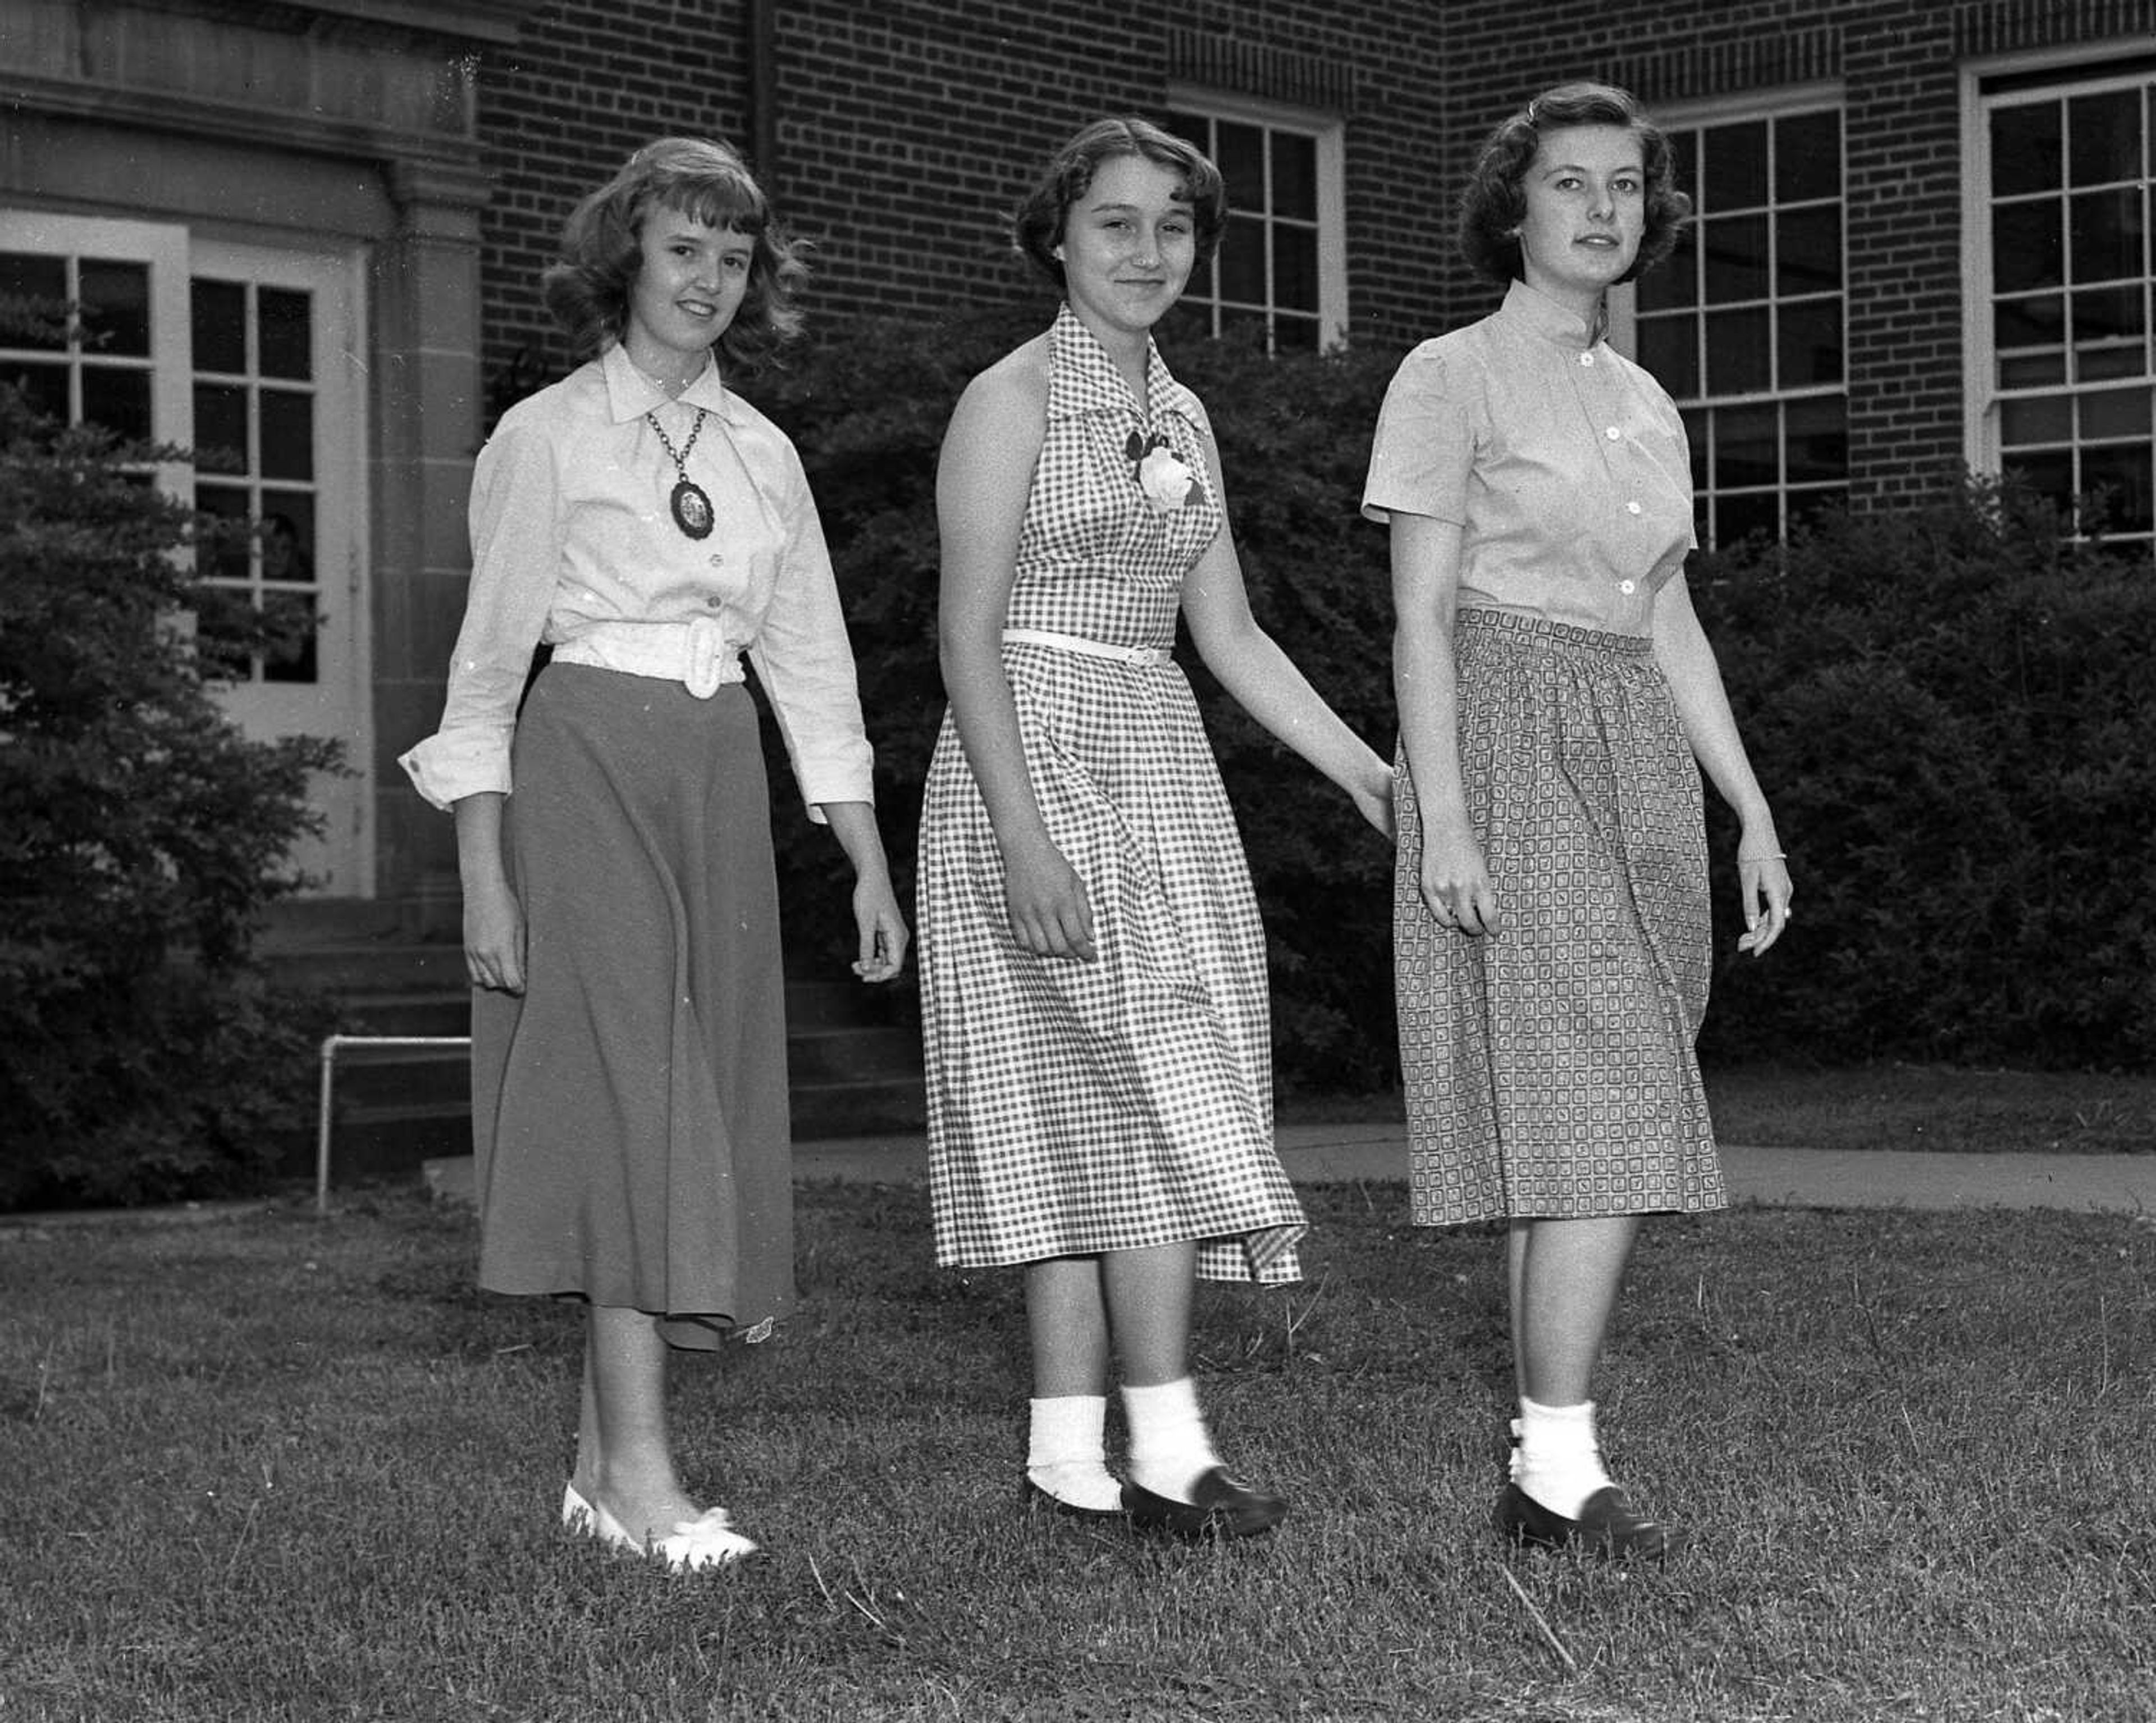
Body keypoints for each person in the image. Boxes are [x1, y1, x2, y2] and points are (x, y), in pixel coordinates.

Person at [400, 137, 908, 1571]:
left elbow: (812, 668)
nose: (710, 279)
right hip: (582, 766)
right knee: (639, 1104)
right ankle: (642, 1478)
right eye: (685, 248)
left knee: (697, 1093)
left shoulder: (765, 455)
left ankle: (592, 1471)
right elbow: (486, 674)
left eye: (734, 257)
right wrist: (485, 875)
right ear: (626, 257)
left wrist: (867, 857)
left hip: (717, 770)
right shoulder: (546, 435)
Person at [917, 116, 1394, 1540]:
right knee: (1106, 1090)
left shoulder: (1182, 418)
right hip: (1031, 752)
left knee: (1142, 1082)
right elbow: (965, 635)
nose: (1146, 251)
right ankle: (1166, 1445)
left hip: (1158, 759)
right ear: (1057, 235)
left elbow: (1230, 631)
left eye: (1173, 227)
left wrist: (1368, 772)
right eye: (1116, 223)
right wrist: (1022, 835)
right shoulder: (1009, 400)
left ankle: (1072, 1450)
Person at [1364, 83, 1793, 1560]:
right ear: (1515, 207)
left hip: (1637, 756)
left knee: (1592, 1108)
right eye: (1569, 184)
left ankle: (1544, 1460)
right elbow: (1420, 615)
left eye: (1624, 185)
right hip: (1508, 725)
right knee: (1608, 1100)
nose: (1601, 207)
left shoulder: (1646, 401)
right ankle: (1560, 1466)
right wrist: (1448, 817)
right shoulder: (1450, 375)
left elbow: (1670, 614)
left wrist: (1750, 807)